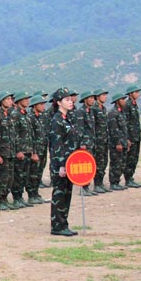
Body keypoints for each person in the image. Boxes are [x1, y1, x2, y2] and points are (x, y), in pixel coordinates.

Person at [47, 88, 79, 236]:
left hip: (70, 162)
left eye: (70, 99)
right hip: (61, 164)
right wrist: (61, 165)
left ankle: (64, 223)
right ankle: (57, 226)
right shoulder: (57, 120)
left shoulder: (67, 119)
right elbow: (57, 144)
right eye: (66, 100)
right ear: (59, 102)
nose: (70, 102)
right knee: (59, 195)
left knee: (67, 194)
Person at [123, 85, 141, 188]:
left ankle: (131, 177)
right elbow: (125, 122)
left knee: (135, 158)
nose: (138, 94)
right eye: (136, 92)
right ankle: (128, 179)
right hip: (131, 137)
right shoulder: (127, 105)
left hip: (136, 136)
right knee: (130, 159)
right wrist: (127, 138)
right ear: (130, 94)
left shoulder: (134, 105)